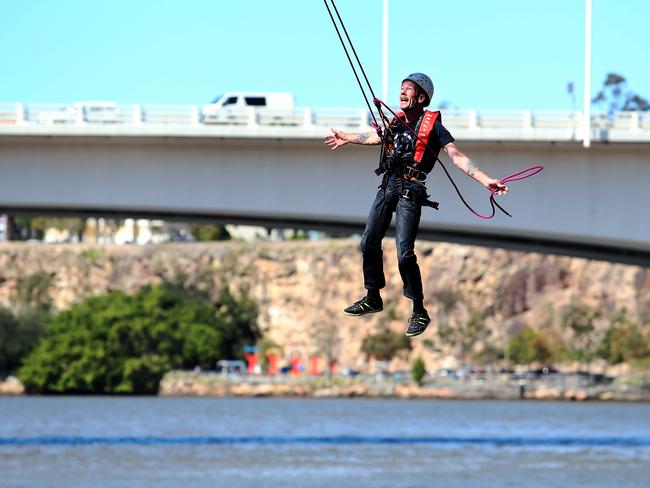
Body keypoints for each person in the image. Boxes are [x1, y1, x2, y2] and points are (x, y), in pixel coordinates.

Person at [324, 73, 509, 337]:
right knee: (367, 242)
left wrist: (485, 179)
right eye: (401, 88)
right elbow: (376, 138)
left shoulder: (433, 126)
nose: (402, 93)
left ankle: (419, 311)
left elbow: (456, 156)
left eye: (408, 89)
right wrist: (347, 136)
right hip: (388, 185)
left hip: (411, 189)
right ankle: (373, 296)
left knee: (404, 254)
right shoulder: (396, 121)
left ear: (421, 98)